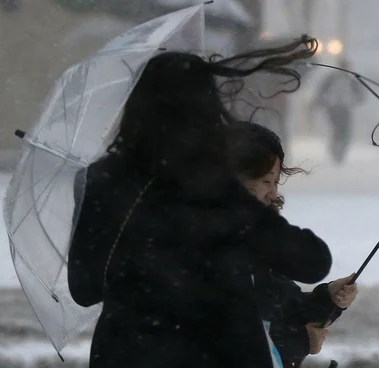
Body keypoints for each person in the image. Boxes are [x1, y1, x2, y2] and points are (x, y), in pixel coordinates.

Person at [67, 36, 333, 368]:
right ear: (205, 108)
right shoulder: (211, 186)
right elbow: (312, 261)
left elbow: (85, 288)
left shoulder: (102, 180)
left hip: (125, 353)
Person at [225, 121, 359, 367]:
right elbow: (226, 335)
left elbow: (284, 305)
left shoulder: (260, 239)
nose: (274, 193)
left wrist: (329, 299)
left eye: (276, 182)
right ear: (236, 180)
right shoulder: (217, 243)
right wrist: (299, 340)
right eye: (267, 181)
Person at [314, 57, 365, 164]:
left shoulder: (351, 80)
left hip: (345, 108)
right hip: (333, 108)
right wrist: (322, 102)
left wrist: (353, 100)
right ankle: (335, 151)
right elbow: (321, 92)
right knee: (337, 130)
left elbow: (360, 95)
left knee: (345, 131)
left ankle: (340, 152)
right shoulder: (331, 78)